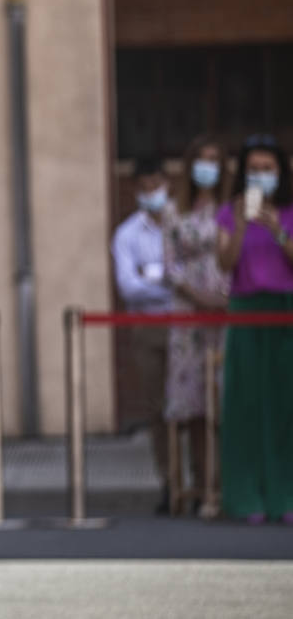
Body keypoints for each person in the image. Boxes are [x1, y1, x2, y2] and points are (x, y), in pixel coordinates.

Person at [215, 134, 293, 524]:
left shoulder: (289, 212)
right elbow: (224, 263)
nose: (261, 176)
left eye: (268, 169)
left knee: (285, 405)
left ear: (281, 172)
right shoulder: (229, 213)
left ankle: (286, 496)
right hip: (245, 309)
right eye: (254, 169)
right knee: (246, 405)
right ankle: (246, 497)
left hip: (285, 311)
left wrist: (278, 230)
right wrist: (243, 227)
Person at [163, 136, 229, 515]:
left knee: (223, 398)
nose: (208, 167)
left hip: (226, 309)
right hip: (189, 313)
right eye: (202, 160)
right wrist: (197, 296)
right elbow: (170, 265)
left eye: (215, 159)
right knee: (193, 404)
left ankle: (225, 483)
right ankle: (199, 484)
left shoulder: (232, 209)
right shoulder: (176, 211)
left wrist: (224, 298)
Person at [111, 157, 176, 511]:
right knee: (158, 408)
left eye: (158, 185)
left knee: (194, 408)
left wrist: (158, 279)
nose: (153, 193)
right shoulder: (127, 234)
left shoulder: (183, 224)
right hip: (149, 329)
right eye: (146, 188)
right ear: (136, 191)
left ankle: (200, 480)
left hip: (188, 324)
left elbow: (190, 278)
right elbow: (129, 287)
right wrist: (168, 283)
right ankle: (169, 481)